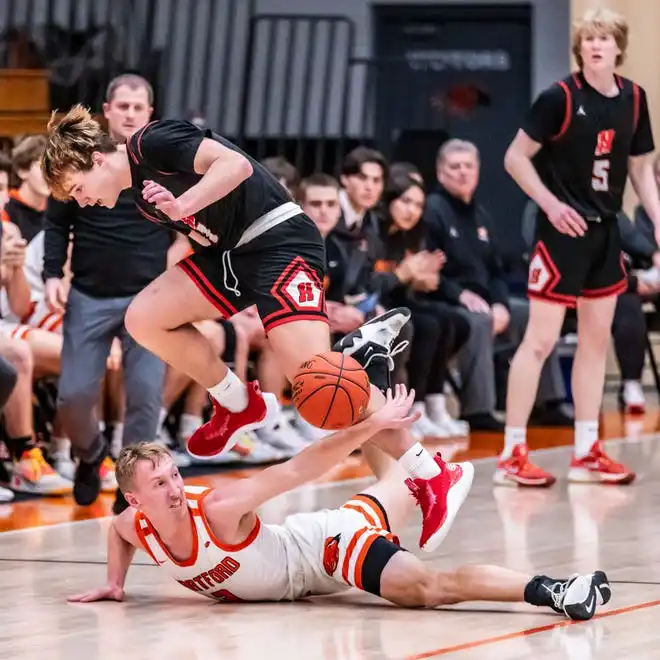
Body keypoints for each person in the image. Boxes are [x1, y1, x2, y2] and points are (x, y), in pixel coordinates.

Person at [41, 110, 465, 553]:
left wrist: (183, 206)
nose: (82, 201)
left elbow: (235, 166)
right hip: (234, 255)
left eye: (77, 189)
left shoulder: (152, 141)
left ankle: (433, 472)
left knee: (321, 391)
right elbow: (209, 234)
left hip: (279, 242)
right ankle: (236, 403)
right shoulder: (144, 200)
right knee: (143, 317)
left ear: (95, 158)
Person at [67, 386, 610, 623]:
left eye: (174, 474)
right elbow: (117, 529)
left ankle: (558, 590)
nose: (175, 488)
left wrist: (369, 425)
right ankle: (416, 449)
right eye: (159, 485)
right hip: (329, 535)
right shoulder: (136, 522)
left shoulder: (218, 509)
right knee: (399, 482)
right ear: (137, 497)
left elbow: (299, 467)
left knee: (424, 590)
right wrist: (116, 583)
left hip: (325, 550)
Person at [499, 8, 660, 486]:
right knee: (540, 342)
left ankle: (587, 450)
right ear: (580, 48)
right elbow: (514, 158)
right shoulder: (559, 98)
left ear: (618, 47)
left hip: (605, 233)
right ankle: (512, 453)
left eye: (604, 38)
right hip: (561, 232)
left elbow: (640, 169)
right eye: (588, 38)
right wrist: (549, 205)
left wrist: (657, 218)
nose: (595, 45)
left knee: (595, 342)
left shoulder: (634, 98)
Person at [43, 74, 186, 509]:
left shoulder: (164, 161)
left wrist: (173, 269)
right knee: (73, 396)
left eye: (137, 108)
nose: (129, 113)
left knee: (144, 395)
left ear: (150, 114)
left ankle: (135, 486)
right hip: (89, 293)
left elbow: (188, 226)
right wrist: (53, 274)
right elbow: (56, 222)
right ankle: (89, 454)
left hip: (148, 300)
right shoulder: (80, 157)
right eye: (121, 106)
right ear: (107, 111)